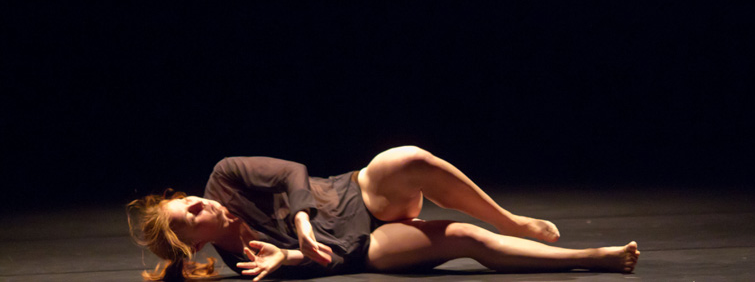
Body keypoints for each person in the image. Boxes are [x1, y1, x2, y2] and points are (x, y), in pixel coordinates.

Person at [127, 146, 640, 280]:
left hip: (354, 195)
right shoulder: (247, 263)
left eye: (190, 200)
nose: (201, 202)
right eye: (192, 215)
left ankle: (512, 222)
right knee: (464, 237)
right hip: (362, 246)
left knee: (407, 159)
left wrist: (301, 222)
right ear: (194, 242)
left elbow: (292, 173)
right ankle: (591, 256)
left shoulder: (224, 176)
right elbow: (328, 261)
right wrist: (288, 258)